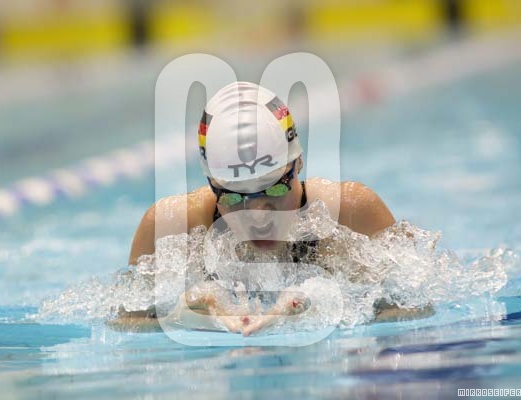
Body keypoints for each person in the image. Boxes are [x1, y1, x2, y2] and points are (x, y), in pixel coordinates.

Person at [114, 82, 430, 335]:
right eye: (235, 197)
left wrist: (326, 308)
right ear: (212, 184)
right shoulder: (171, 227)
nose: (258, 216)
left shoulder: (350, 214)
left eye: (275, 189)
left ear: (298, 163)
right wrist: (180, 316)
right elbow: (126, 328)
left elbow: (416, 310)